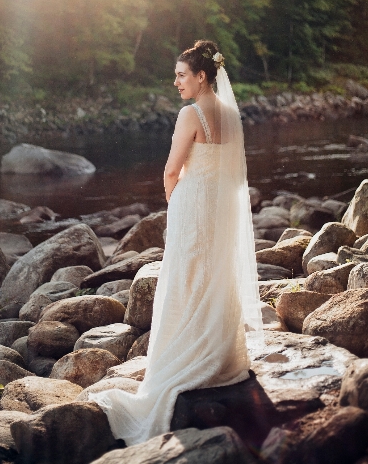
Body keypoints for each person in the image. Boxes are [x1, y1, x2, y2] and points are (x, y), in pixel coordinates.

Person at [87, 39, 263, 445]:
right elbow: (235, 176)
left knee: (185, 278)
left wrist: (176, 198)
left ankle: (182, 358)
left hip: (192, 205)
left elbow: (171, 171)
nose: (176, 82)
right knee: (216, 276)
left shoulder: (191, 114)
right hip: (221, 208)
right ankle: (220, 357)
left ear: (202, 76)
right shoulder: (232, 115)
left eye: (182, 75)